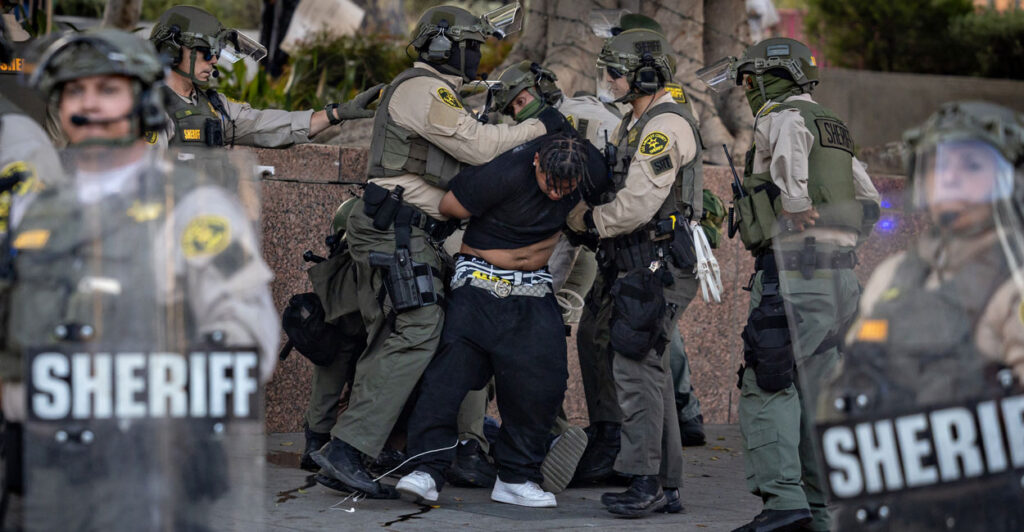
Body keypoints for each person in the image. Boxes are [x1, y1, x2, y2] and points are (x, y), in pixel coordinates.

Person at [4, 29, 278, 529]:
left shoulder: (192, 207)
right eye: (74, 91)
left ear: (144, 103)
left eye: (108, 90)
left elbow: (248, 332)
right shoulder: (39, 210)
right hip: (45, 467)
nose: (90, 104)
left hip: (153, 464)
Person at [310, 3, 570, 496]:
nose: (477, 56)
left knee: (417, 331)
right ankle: (347, 449)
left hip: (410, 231)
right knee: (418, 327)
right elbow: (475, 147)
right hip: (396, 229)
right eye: (472, 46)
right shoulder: (421, 88)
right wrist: (540, 128)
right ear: (444, 46)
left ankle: (404, 447)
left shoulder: (435, 90)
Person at [699, 37, 880, 532]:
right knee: (817, 389)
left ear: (769, 77)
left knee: (768, 380)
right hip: (840, 277)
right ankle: (819, 514)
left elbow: (789, 173)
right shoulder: (833, 123)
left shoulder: (780, 117)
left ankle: (783, 505)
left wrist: (797, 209)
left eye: (750, 79)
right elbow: (870, 198)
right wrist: (843, 239)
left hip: (794, 273)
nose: (748, 89)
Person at [821, 101, 1024, 531]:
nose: (951, 176)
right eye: (940, 163)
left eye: (972, 164)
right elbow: (851, 379)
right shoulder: (899, 273)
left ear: (1008, 177)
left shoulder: (1014, 275)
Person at [395, 132, 601, 508]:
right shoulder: (504, 173)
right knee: (447, 378)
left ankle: (515, 477)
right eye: (550, 183)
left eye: (566, 187)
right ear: (537, 162)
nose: (556, 193)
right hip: (478, 282)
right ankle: (425, 470)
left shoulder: (589, 169)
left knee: (543, 380)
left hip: (536, 287)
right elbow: (450, 204)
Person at [566, 27, 703, 517]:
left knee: (633, 365)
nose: (607, 79)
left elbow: (639, 204)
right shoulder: (637, 120)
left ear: (643, 76)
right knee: (651, 369)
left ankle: (644, 480)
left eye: (614, 72)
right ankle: (665, 485)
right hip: (642, 259)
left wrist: (588, 222)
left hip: (656, 260)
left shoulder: (665, 125)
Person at [148, 5, 381, 148]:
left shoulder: (213, 107)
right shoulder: (150, 109)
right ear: (173, 50)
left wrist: (336, 113)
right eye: (207, 51)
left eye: (217, 51)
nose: (214, 60)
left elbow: (267, 125)